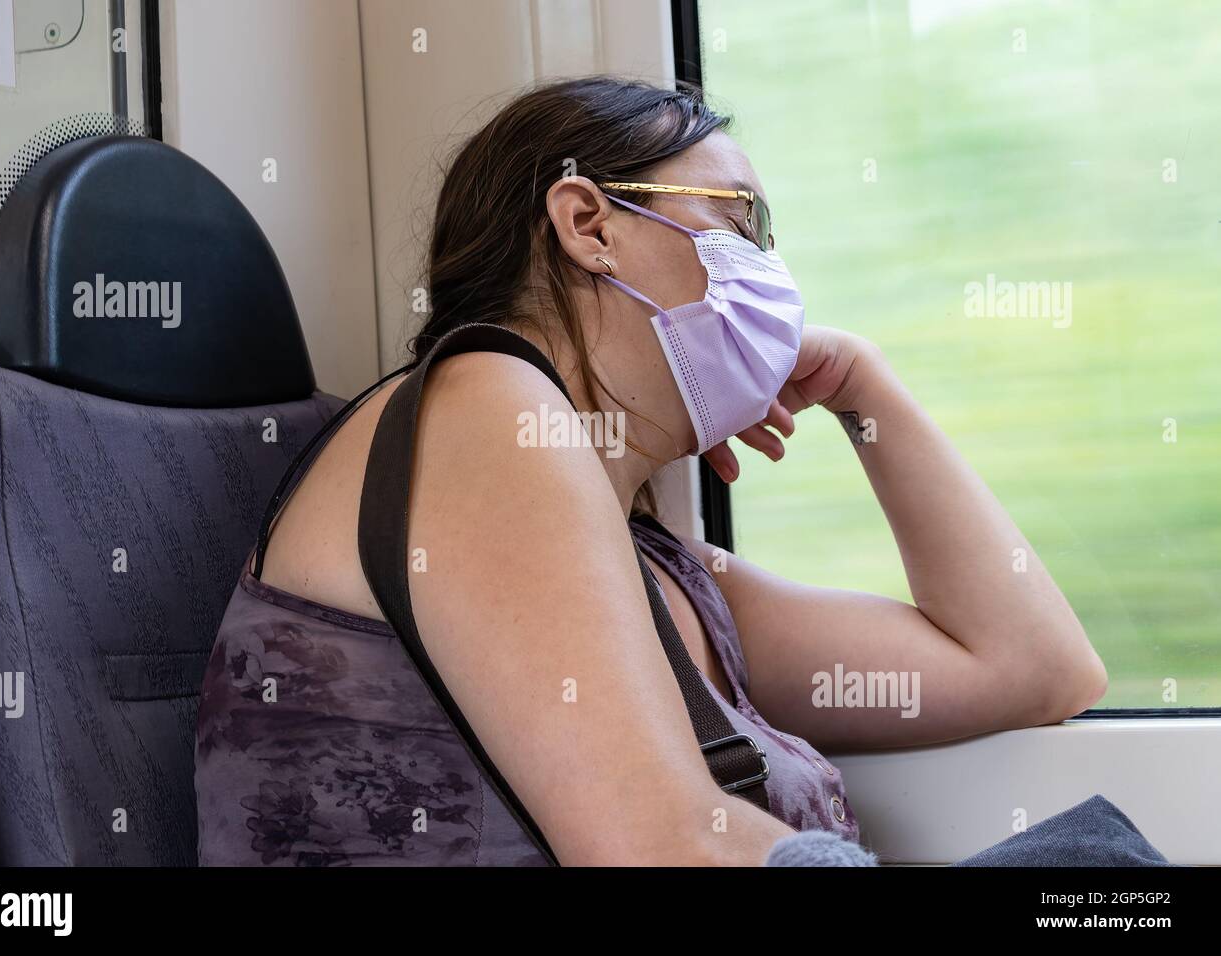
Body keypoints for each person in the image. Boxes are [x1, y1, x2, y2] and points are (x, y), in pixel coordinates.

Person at [195, 76, 1106, 867]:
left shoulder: (662, 568)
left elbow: (1031, 668)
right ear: (590, 223)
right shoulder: (488, 406)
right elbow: (661, 847)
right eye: (741, 221)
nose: (770, 271)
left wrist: (864, 390)